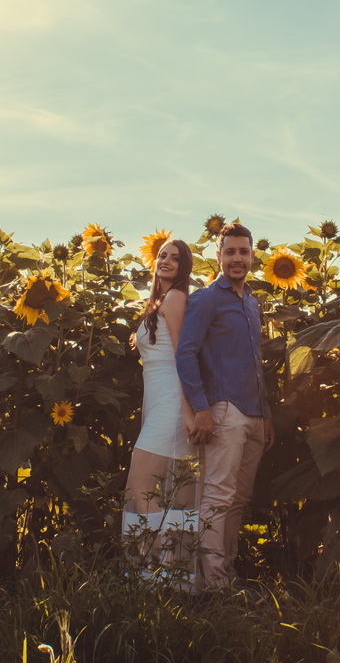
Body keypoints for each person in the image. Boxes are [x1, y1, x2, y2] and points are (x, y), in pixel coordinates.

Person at [175, 223, 275, 590]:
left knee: (239, 499)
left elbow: (255, 361)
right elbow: (185, 353)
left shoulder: (251, 302)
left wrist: (266, 415)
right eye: (230, 252)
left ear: (252, 256)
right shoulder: (206, 299)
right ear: (218, 256)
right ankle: (211, 583)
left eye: (243, 252)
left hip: (254, 414)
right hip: (224, 411)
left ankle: (225, 575)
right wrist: (201, 408)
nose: (237, 258)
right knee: (218, 495)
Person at [123, 239, 200, 581]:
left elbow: (185, 355)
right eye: (162, 255)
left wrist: (187, 409)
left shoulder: (175, 298)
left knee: (140, 486)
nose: (165, 260)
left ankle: (161, 571)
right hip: (159, 402)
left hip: (171, 402)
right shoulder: (158, 300)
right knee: (166, 492)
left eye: (175, 258)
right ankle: (172, 577)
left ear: (184, 267)